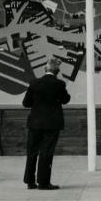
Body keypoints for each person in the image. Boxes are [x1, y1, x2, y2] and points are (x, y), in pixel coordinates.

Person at [22, 57, 71, 190]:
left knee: (32, 151)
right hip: (52, 123)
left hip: (35, 123)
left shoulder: (34, 83)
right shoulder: (59, 84)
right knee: (46, 152)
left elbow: (26, 103)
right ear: (57, 71)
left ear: (45, 69)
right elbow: (66, 100)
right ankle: (43, 182)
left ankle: (30, 181)